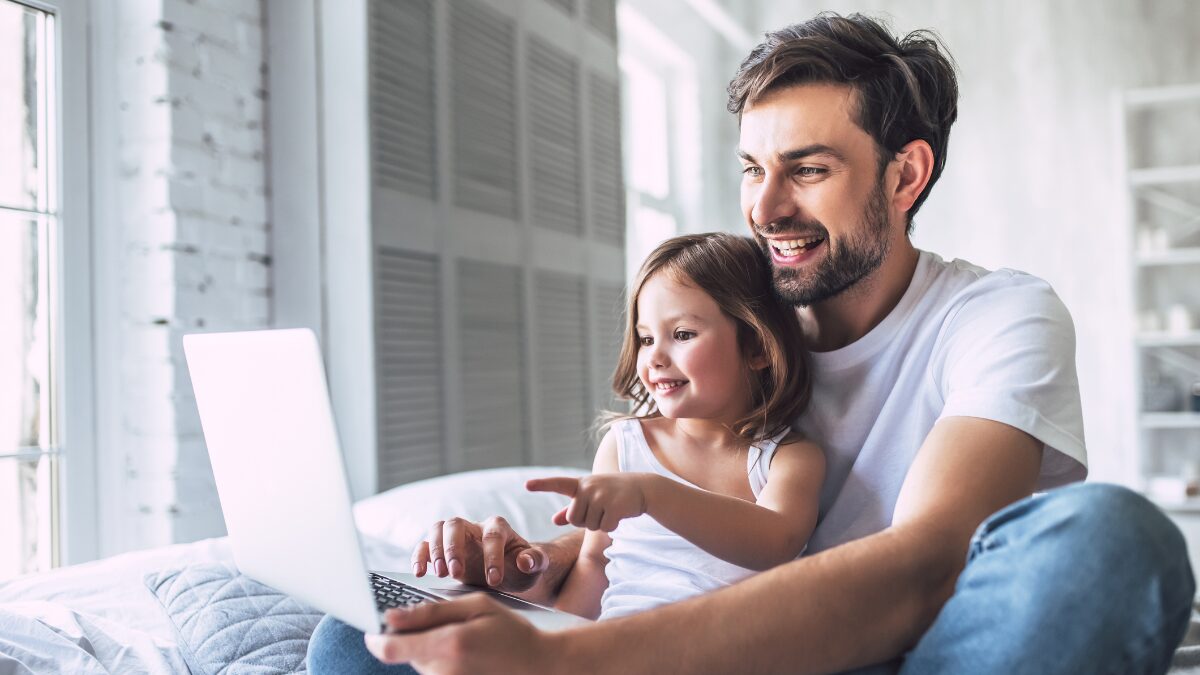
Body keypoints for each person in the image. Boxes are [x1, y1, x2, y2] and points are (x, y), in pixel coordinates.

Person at [308, 12, 1195, 674]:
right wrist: (517, 574)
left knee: (1112, 541)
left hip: (898, 657)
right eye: (751, 168)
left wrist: (571, 663)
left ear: (905, 174)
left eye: (807, 170)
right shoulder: (720, 326)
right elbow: (627, 552)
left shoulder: (998, 316)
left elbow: (922, 569)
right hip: (692, 647)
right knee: (358, 634)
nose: (766, 208)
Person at [445, 232, 823, 621]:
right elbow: (594, 564)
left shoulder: (789, 458)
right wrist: (562, 650)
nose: (655, 356)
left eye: (682, 334)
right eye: (645, 338)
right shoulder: (624, 446)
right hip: (617, 650)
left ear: (757, 347)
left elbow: (776, 539)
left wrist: (651, 494)